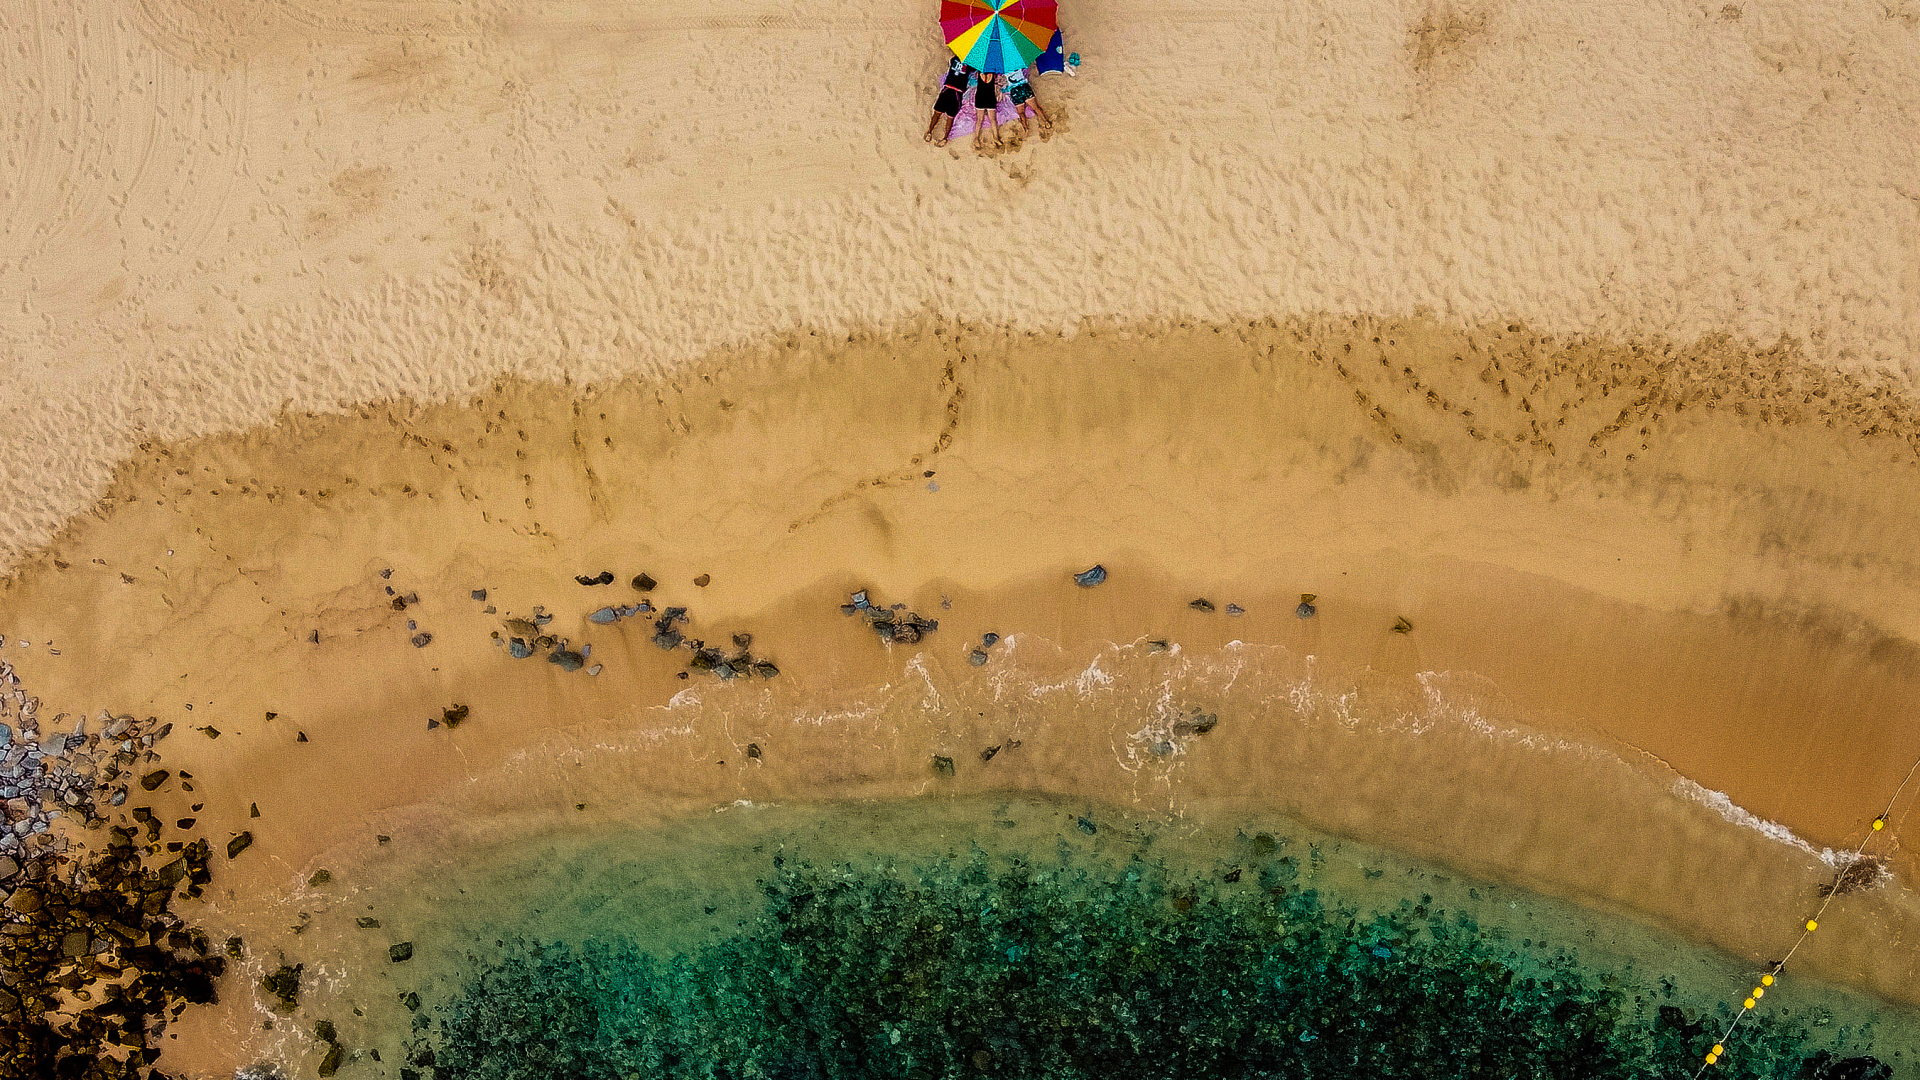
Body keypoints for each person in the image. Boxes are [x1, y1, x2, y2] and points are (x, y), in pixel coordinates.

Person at [925, 57, 973, 146]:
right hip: (948, 88)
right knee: (937, 112)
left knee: (950, 117)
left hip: (957, 92)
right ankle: (930, 131)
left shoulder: (965, 62)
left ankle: (945, 138)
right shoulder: (956, 60)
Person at [1004, 66, 1051, 135]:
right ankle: (1045, 121)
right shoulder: (1019, 62)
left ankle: (1025, 129)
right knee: (1036, 107)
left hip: (1014, 91)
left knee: (1021, 112)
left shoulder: (1003, 67)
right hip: (1024, 86)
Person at [973, 70, 1002, 149]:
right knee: (993, 120)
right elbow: (996, 83)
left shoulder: (979, 73)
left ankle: (976, 138)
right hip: (990, 97)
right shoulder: (993, 74)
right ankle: (996, 137)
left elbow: (976, 77)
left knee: (979, 120)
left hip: (980, 96)